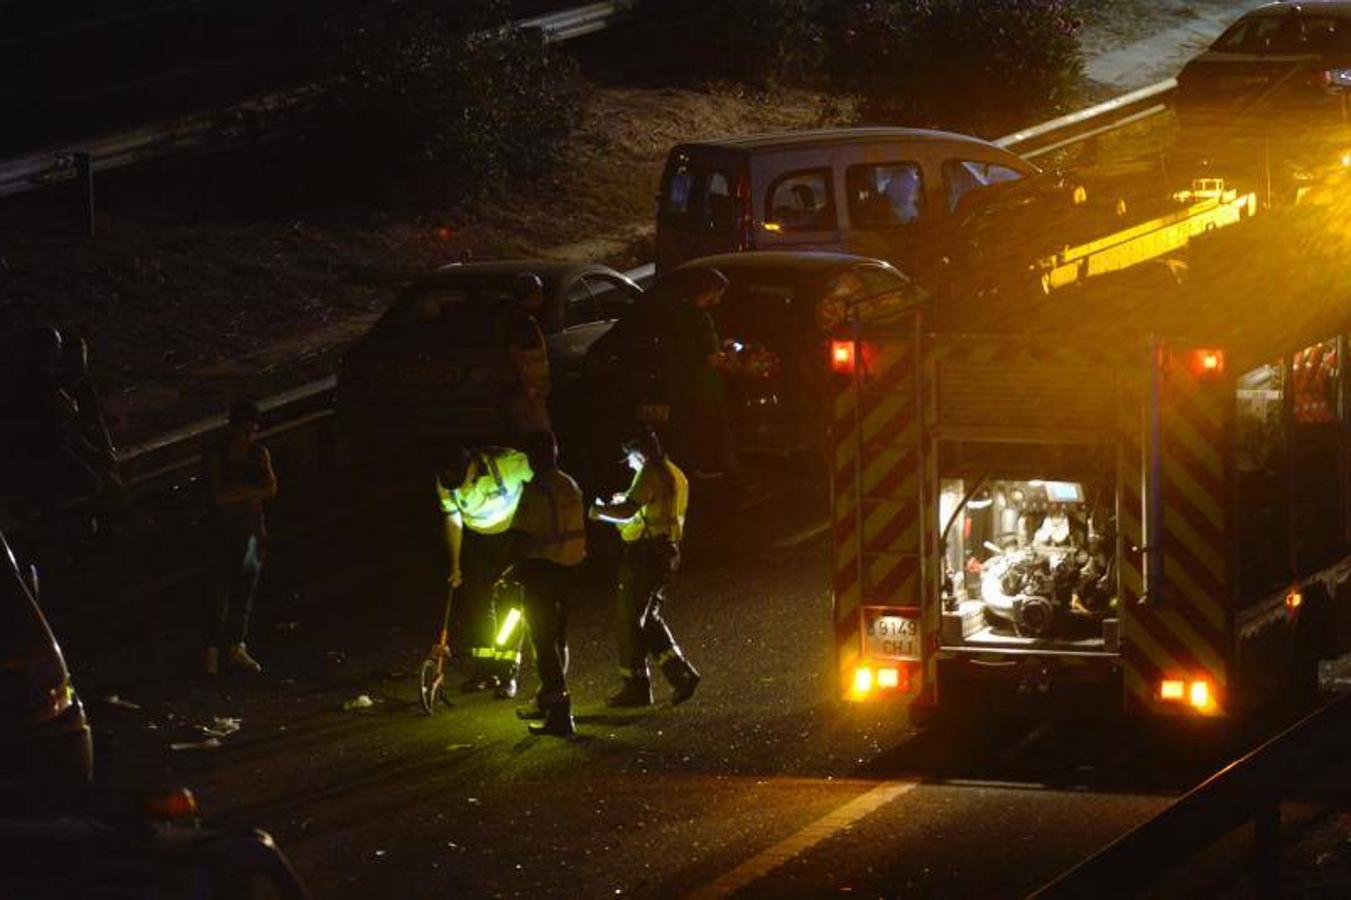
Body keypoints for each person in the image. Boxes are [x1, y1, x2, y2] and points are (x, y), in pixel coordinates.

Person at [589, 428, 700, 707]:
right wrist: (625, 500)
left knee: (629, 619)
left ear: (639, 454)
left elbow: (628, 511)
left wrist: (599, 510)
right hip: (667, 552)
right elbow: (652, 506)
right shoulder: (674, 472)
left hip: (647, 555)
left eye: (629, 459)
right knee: (647, 617)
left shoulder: (649, 471)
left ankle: (636, 687)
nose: (628, 465)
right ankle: (681, 675)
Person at [437, 445, 533, 696]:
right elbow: (453, 520)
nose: (460, 489)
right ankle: (484, 669)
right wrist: (455, 565)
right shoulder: (445, 482)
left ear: (472, 466)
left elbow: (546, 483)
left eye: (463, 482)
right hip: (479, 540)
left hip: (513, 538)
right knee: (478, 605)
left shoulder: (510, 464)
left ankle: (507, 671)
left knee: (511, 607)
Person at [507, 431, 586, 736]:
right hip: (570, 569)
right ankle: (550, 702)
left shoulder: (537, 489)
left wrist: (507, 566)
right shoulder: (568, 484)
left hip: (542, 571)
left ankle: (558, 713)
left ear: (532, 457)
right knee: (558, 639)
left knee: (542, 642)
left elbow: (522, 534)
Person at [202, 399, 277, 675]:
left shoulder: (258, 454)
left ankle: (234, 646)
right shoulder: (217, 454)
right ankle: (213, 649)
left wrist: (238, 492)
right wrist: (250, 493)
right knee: (218, 592)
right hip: (222, 531)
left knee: (243, 592)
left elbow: (270, 488)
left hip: (250, 531)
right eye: (245, 430)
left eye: (252, 430)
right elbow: (217, 495)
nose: (248, 436)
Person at [657, 267, 739, 480]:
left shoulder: (677, 313)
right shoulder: (701, 320)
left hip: (679, 384)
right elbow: (711, 358)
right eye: (719, 294)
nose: (720, 300)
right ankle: (723, 473)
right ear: (711, 292)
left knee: (685, 431)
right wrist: (729, 354)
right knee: (713, 430)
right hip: (702, 387)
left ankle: (686, 469)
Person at [496, 272, 552, 436]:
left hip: (521, 392)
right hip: (526, 394)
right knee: (539, 439)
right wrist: (528, 394)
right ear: (532, 295)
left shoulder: (508, 317)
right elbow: (516, 356)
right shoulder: (522, 323)